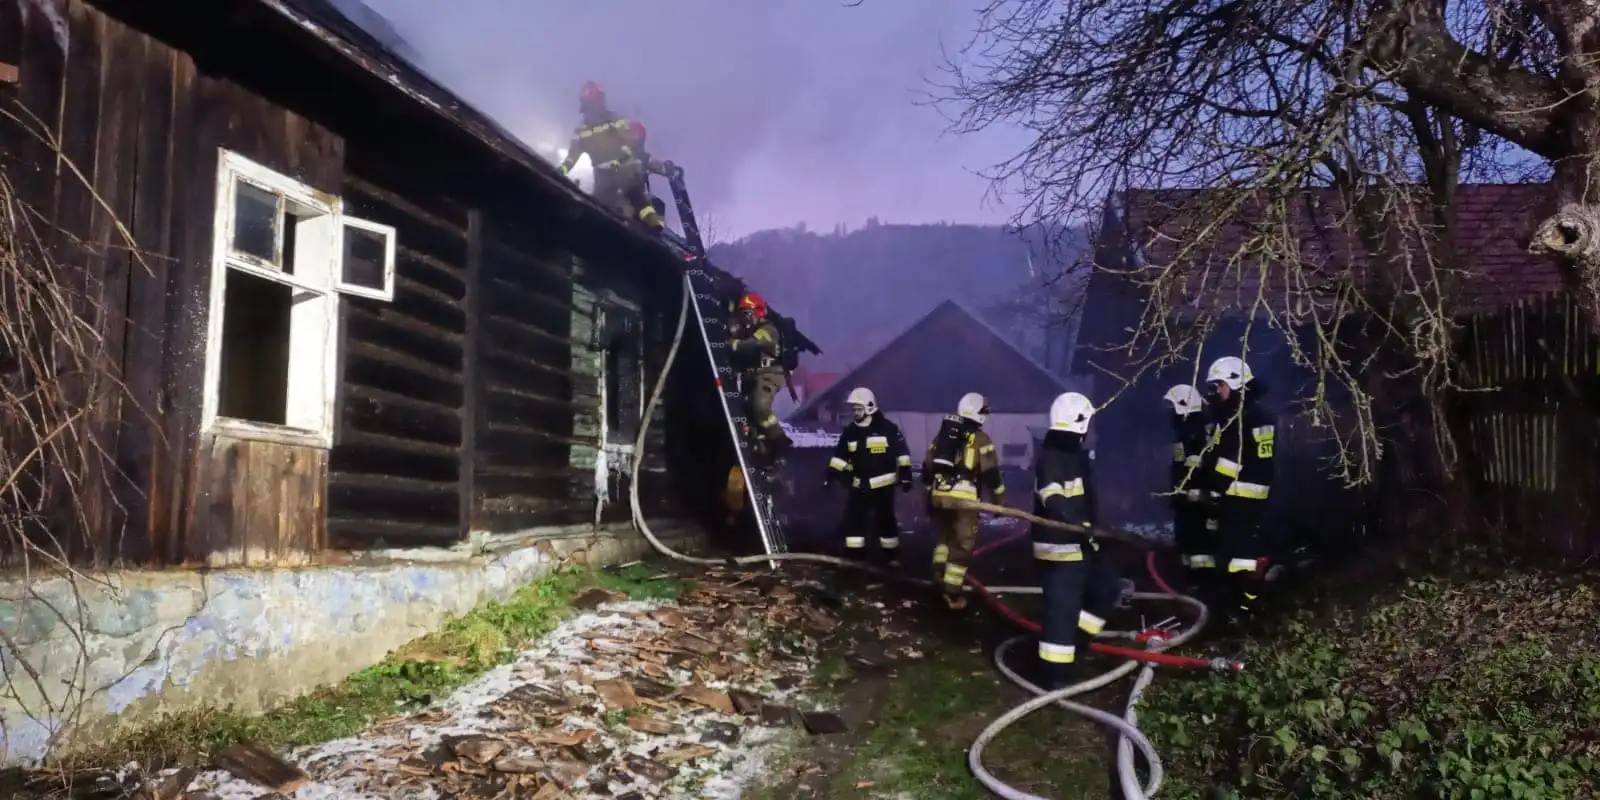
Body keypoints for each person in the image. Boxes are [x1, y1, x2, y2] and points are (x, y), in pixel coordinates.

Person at [1031, 391, 1124, 689]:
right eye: (1089, 424)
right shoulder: (1052, 457)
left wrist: (1093, 528)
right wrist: (1075, 522)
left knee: (1107, 588)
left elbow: (1083, 503)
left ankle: (1077, 642)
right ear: (1079, 424)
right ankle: (1055, 677)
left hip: (1081, 544)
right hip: (1059, 549)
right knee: (1062, 613)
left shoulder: (1075, 457)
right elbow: (1052, 496)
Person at [1202, 356, 1277, 623]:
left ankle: (1242, 612)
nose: (1215, 392)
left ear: (1235, 383)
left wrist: (1212, 492)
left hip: (1236, 497)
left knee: (1235, 559)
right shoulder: (1258, 414)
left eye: (1218, 386)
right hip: (1253, 498)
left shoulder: (1239, 418)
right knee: (1244, 557)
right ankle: (1247, 609)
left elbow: (1229, 462)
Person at [923, 392, 1006, 609]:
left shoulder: (942, 437)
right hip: (963, 501)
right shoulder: (981, 439)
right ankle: (952, 593)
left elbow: (927, 467)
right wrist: (998, 500)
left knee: (944, 538)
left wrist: (929, 497)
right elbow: (991, 474)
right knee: (962, 545)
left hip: (939, 496)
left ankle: (937, 579)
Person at [824, 388, 914, 566]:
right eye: (854, 409)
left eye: (859, 409)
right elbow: (839, 457)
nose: (855, 413)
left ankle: (891, 558)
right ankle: (854, 558)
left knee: (885, 521)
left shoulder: (887, 428)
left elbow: (902, 453)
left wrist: (906, 475)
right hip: (859, 486)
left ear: (870, 407)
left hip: (883, 486)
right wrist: (830, 477)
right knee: (854, 521)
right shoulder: (850, 432)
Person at [557, 82, 663, 232]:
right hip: (602, 174)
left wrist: (622, 159)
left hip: (623, 167)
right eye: (595, 101)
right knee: (599, 205)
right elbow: (572, 156)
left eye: (599, 100)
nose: (598, 104)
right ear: (587, 104)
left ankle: (653, 224)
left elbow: (630, 141)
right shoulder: (580, 131)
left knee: (633, 193)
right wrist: (561, 171)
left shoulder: (615, 119)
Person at [1164, 384, 1215, 588]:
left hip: (1199, 506)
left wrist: (1193, 496)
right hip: (1186, 504)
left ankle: (1204, 586)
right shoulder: (1183, 434)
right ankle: (1190, 584)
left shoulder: (1198, 433)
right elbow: (1180, 468)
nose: (1170, 414)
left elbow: (1202, 472)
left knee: (1199, 549)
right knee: (1186, 546)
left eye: (1173, 407)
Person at [728, 292, 792, 454]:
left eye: (748, 313)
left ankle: (780, 441)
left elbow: (752, 344)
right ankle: (762, 449)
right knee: (749, 413)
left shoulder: (768, 330)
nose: (745, 318)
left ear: (759, 312)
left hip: (770, 374)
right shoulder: (748, 330)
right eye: (742, 314)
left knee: (760, 405)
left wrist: (733, 344)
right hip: (754, 375)